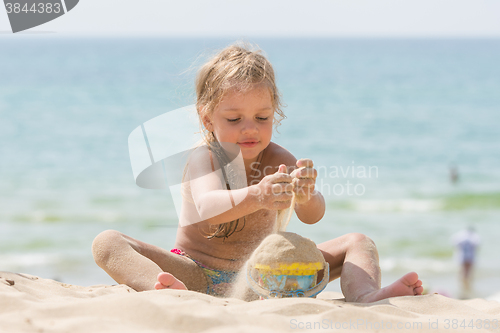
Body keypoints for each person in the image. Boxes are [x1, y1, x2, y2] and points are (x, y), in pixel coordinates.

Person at [92, 43, 423, 302]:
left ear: (274, 114)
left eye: (262, 118)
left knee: (358, 242)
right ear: (207, 119)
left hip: (262, 278)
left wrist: (306, 196)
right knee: (107, 242)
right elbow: (209, 208)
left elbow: (314, 216)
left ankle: (365, 295)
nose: (250, 129)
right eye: (234, 119)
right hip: (197, 273)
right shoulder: (204, 159)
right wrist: (259, 195)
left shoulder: (278, 157)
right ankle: (163, 289)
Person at [452, 226, 480, 295]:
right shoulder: (475, 236)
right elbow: (477, 245)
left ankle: (463, 287)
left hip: (462, 256)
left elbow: (454, 243)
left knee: (462, 272)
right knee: (469, 272)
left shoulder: (460, 235)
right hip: (470, 256)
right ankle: (467, 287)